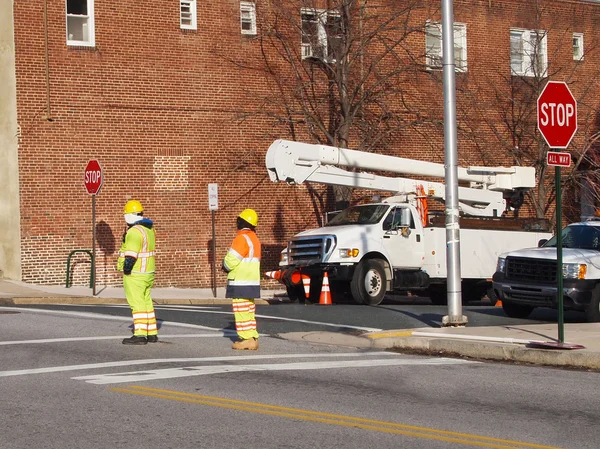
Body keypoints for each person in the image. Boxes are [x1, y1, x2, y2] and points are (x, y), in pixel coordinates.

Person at [117, 200, 158, 345]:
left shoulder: (134, 232)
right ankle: (151, 332)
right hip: (148, 272)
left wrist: (126, 269)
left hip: (136, 273)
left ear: (129, 215)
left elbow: (131, 255)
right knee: (146, 301)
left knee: (137, 303)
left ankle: (140, 334)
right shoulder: (149, 229)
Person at [222, 208, 262, 350]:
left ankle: (246, 339)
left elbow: (230, 261)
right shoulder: (254, 239)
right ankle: (252, 337)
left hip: (240, 281)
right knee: (249, 311)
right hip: (251, 281)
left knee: (241, 311)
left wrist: (224, 265)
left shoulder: (241, 238)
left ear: (241, 221)